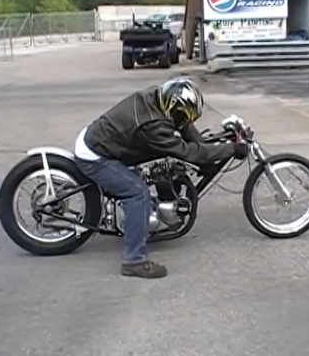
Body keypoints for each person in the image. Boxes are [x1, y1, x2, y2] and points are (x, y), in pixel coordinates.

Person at [73, 77, 248, 279]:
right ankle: (133, 260)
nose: (184, 122)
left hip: (106, 140)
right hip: (95, 155)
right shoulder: (153, 126)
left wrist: (204, 148)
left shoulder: (159, 97)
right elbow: (186, 152)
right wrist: (229, 149)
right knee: (137, 193)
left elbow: (183, 125)